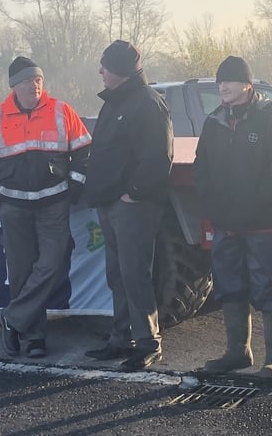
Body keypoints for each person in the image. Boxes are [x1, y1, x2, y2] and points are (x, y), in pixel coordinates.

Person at [0, 56, 91, 358]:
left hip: (54, 205)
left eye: (38, 80)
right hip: (13, 208)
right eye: (28, 81)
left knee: (53, 261)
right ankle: (33, 338)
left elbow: (84, 152)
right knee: (22, 273)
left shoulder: (62, 111)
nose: (35, 86)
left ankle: (10, 318)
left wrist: (73, 189)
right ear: (14, 86)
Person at [193, 56, 272, 378]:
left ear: (247, 85)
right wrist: (213, 205)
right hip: (226, 223)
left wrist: (256, 200)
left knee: (266, 286)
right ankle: (237, 352)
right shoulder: (213, 122)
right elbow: (202, 167)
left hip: (260, 221)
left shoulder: (271, 119)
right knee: (229, 285)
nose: (222, 86)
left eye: (229, 81)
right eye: (220, 81)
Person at [83, 40, 173, 372]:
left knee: (135, 275)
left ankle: (149, 343)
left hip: (133, 207)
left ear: (120, 69)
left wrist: (133, 193)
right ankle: (121, 339)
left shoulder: (147, 103)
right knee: (117, 275)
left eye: (105, 66)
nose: (100, 71)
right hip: (111, 204)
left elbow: (157, 157)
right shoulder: (116, 102)